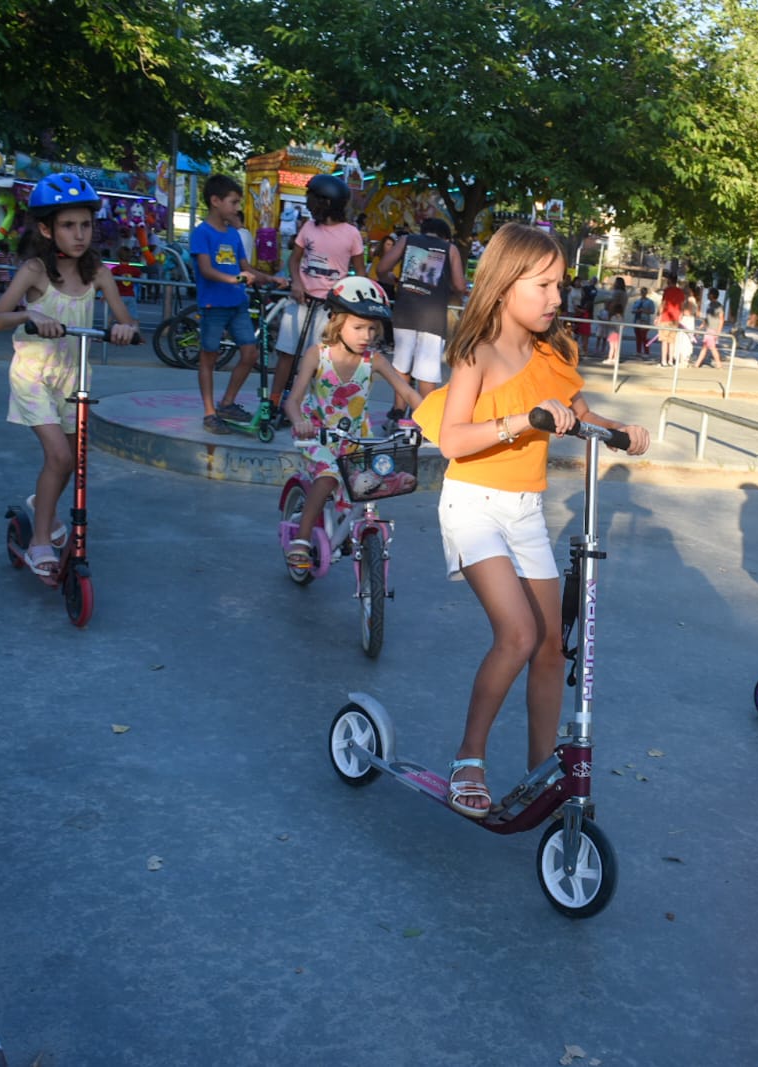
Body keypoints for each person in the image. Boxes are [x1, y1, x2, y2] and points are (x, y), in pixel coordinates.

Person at [411, 223, 651, 817]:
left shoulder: (556, 352)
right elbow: (452, 440)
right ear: (502, 284)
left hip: (525, 512)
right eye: (541, 284)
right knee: (517, 634)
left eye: (559, 285)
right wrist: (523, 420)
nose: (555, 297)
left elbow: (581, 412)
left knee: (549, 648)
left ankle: (543, 768)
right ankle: (469, 758)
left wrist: (622, 433)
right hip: (472, 503)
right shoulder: (478, 350)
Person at [0, 175, 139, 577]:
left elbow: (127, 323)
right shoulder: (35, 270)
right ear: (47, 229)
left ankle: (43, 506)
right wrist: (29, 314)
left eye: (85, 224)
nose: (79, 234)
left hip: (74, 378)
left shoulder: (97, 273)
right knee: (59, 455)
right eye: (69, 226)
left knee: (71, 463)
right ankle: (38, 542)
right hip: (34, 375)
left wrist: (124, 330)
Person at [280, 277, 424, 570]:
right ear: (337, 323)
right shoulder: (318, 355)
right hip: (319, 436)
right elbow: (292, 400)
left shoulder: (374, 361)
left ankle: (350, 530)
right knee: (329, 477)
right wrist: (299, 421)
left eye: (373, 328)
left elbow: (407, 391)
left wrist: (433, 418)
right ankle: (303, 540)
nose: (367, 335)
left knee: (373, 483)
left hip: (357, 439)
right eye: (358, 327)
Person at [189, 173, 285, 434]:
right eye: (233, 202)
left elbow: (245, 267)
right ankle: (210, 413)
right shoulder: (202, 233)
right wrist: (234, 278)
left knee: (250, 353)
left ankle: (227, 403)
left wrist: (270, 278)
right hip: (213, 305)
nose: (236, 208)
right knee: (209, 357)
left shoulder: (233, 235)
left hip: (237, 303)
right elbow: (206, 269)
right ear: (216, 201)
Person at [270, 173, 365, 418]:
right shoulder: (308, 227)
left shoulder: (351, 233)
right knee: (286, 355)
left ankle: (314, 407)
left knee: (321, 360)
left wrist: (352, 301)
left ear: (325, 202)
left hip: (330, 308)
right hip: (302, 301)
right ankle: (274, 401)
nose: (308, 202)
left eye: (311, 198)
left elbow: (361, 272)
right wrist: (297, 283)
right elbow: (294, 260)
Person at [373, 216, 467, 428]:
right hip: (433, 316)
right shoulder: (449, 248)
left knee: (401, 363)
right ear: (445, 235)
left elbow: (382, 268)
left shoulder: (407, 241)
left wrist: (395, 282)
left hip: (406, 311)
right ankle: (423, 417)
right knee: (427, 367)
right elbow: (460, 285)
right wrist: (448, 288)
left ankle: (397, 411)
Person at [693, 287, 725, 368]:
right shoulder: (709, 305)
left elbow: (721, 319)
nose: (707, 295)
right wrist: (701, 327)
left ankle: (719, 364)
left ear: (712, 295)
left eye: (708, 294)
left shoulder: (718, 306)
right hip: (708, 329)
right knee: (705, 346)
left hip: (713, 329)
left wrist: (718, 332)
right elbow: (707, 318)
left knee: (711, 347)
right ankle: (697, 364)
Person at [629, 286, 655, 360]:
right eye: (642, 291)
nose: (643, 293)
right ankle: (638, 351)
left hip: (645, 321)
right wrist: (637, 310)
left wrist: (644, 311)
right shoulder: (637, 301)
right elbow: (633, 310)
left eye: (644, 291)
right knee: (638, 336)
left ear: (646, 293)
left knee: (644, 337)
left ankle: (646, 352)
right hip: (637, 319)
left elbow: (652, 311)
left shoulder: (650, 302)